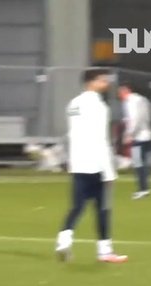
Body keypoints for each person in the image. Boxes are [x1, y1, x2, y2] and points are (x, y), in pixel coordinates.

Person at [55, 68, 128, 264]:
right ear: (92, 82)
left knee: (77, 206)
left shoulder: (73, 104)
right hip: (96, 164)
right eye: (102, 81)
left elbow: (72, 135)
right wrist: (109, 171)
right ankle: (105, 251)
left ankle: (64, 240)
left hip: (78, 162)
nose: (106, 84)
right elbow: (100, 139)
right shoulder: (99, 106)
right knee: (103, 208)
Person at [119, 83, 151, 199]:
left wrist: (129, 134)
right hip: (148, 135)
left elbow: (134, 119)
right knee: (143, 163)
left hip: (138, 137)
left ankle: (142, 189)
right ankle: (145, 188)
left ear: (126, 90)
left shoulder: (130, 102)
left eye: (121, 91)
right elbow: (148, 117)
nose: (120, 95)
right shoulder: (143, 99)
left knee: (138, 163)